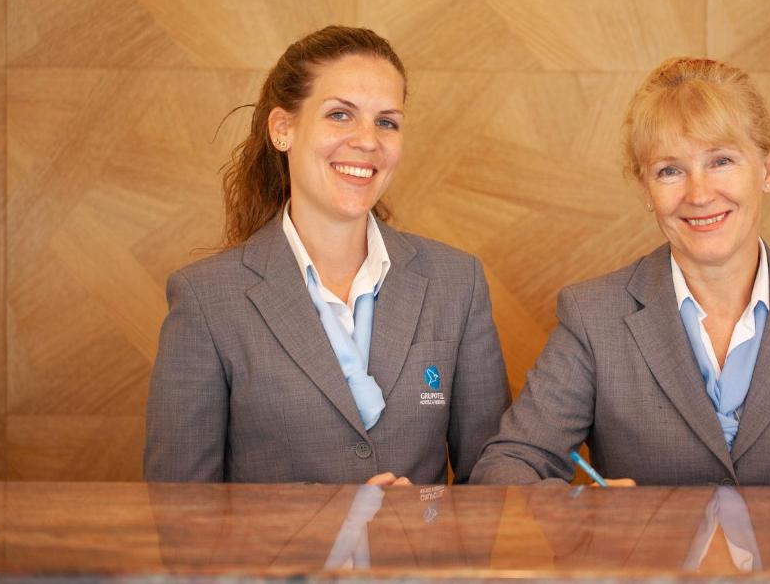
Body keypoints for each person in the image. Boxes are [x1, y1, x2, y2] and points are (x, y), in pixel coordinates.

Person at [471, 57, 770, 487]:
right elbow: (506, 465)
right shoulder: (593, 316)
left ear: (767, 170)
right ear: (645, 189)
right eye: (670, 171)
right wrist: (580, 511)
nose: (699, 194)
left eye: (721, 161)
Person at [144, 26, 509, 485]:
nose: (368, 141)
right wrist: (330, 517)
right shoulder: (206, 299)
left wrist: (421, 513)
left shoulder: (457, 282)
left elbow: (493, 483)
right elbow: (180, 506)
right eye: (340, 115)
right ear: (283, 129)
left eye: (387, 122)